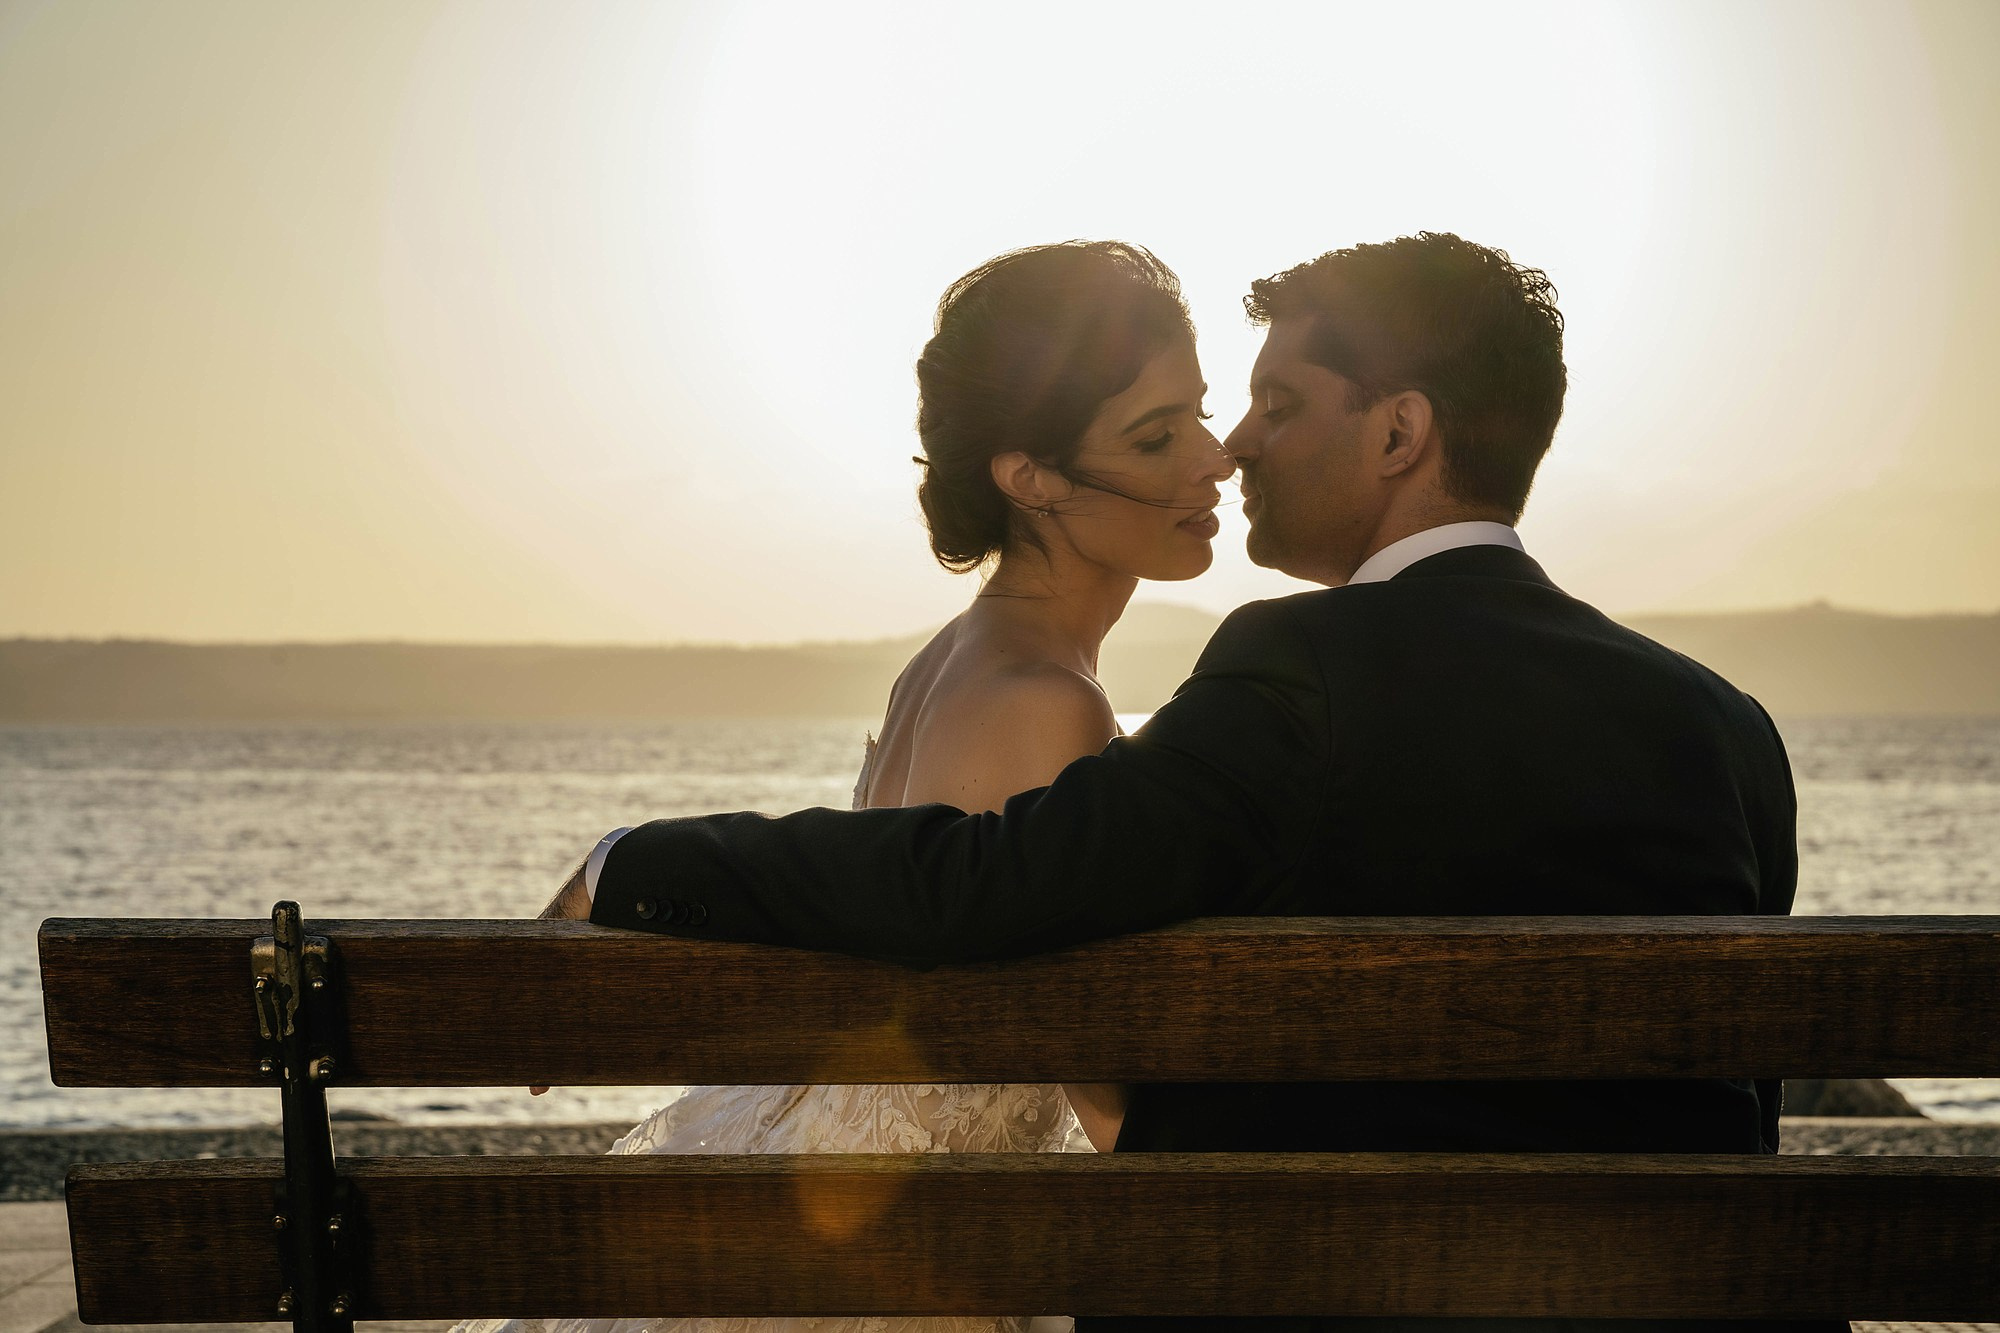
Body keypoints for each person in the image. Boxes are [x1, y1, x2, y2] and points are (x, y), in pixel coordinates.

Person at [550, 232, 1839, 1333]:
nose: (1236, 446)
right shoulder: (1725, 726)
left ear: (1399, 432)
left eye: (1276, 402)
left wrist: (637, 862)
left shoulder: (1300, 673)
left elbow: (990, 881)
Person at [471, 240, 1234, 1333]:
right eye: (1157, 436)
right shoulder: (1043, 705)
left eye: (1199, 413)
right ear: (1029, 477)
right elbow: (1102, 1103)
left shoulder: (945, 662)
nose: (1215, 459)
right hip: (883, 1263)